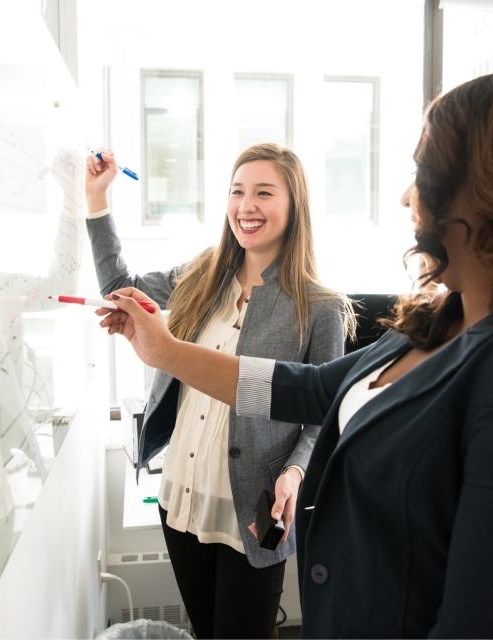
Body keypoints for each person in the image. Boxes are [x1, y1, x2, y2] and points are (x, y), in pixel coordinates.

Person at [96, 73, 493, 638]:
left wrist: (291, 470)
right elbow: (311, 388)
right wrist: (167, 352)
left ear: (492, 189)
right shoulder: (435, 322)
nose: (404, 196)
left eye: (423, 172)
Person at [85, 143, 353, 639]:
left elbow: (325, 413)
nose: (246, 206)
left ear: (295, 206)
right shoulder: (202, 275)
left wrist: (295, 472)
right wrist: (97, 200)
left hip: (253, 510)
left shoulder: (320, 307)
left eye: (264, 193)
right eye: (237, 192)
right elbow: (120, 286)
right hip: (182, 497)